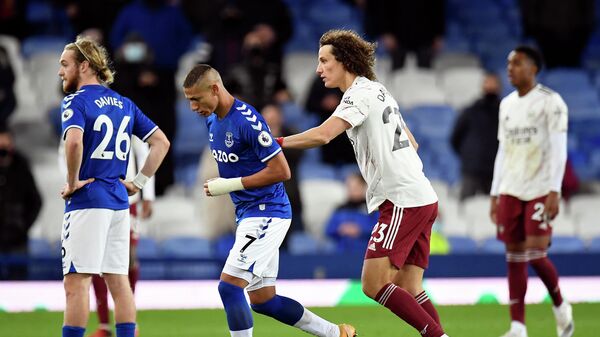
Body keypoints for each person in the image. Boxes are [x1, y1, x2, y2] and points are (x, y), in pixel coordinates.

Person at [276, 29, 449, 337]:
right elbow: (413, 143)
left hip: (401, 199)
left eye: (324, 61)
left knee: (373, 284)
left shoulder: (357, 94)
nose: (318, 69)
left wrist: (275, 142)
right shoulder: (378, 90)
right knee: (409, 287)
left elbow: (323, 134)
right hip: (422, 194)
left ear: (344, 61)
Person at [182, 64, 356, 337]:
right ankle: (338, 333)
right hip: (248, 213)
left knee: (229, 287)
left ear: (215, 89)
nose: (192, 106)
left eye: (196, 98)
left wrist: (230, 184)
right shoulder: (212, 119)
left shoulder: (247, 120)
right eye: (189, 100)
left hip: (267, 212)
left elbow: (282, 171)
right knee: (265, 301)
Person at [58, 35, 170, 337]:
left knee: (76, 283)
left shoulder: (75, 101)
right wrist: (139, 183)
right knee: (119, 283)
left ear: (84, 66)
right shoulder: (124, 104)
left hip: (88, 200)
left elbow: (74, 142)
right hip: (120, 203)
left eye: (65, 64)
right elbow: (161, 142)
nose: (60, 72)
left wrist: (72, 182)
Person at [489, 46, 574, 337]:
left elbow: (559, 149)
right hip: (511, 188)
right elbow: (503, 150)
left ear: (533, 68)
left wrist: (554, 190)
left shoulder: (551, 102)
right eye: (508, 63)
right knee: (513, 255)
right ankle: (517, 326)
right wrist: (494, 193)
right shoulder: (506, 105)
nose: (510, 68)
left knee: (536, 255)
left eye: (517, 63)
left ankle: (561, 306)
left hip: (540, 187)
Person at [87, 136, 156, 337]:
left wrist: (147, 194)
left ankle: (128, 322)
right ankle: (105, 325)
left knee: (128, 259)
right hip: (95, 197)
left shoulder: (125, 110)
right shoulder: (82, 110)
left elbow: (145, 150)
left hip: (127, 199)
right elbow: (65, 151)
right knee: (96, 261)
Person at [450, 73, 501, 202]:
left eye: (493, 83)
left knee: (496, 209)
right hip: (472, 168)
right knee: (465, 206)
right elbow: (455, 138)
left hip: (496, 169)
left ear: (499, 87)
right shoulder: (471, 110)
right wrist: (468, 155)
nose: (490, 86)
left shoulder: (505, 111)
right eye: (487, 83)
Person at [0, 127, 42, 280]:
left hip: (17, 239)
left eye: (6, 147)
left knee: (18, 284)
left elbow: (36, 201)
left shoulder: (21, 165)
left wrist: (23, 226)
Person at [325, 172, 378, 252]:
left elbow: (380, 230)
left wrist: (360, 230)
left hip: (366, 254)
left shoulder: (373, 208)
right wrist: (340, 229)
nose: (352, 190)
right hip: (342, 253)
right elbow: (328, 230)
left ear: (363, 187)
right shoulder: (340, 209)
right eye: (349, 187)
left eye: (355, 187)